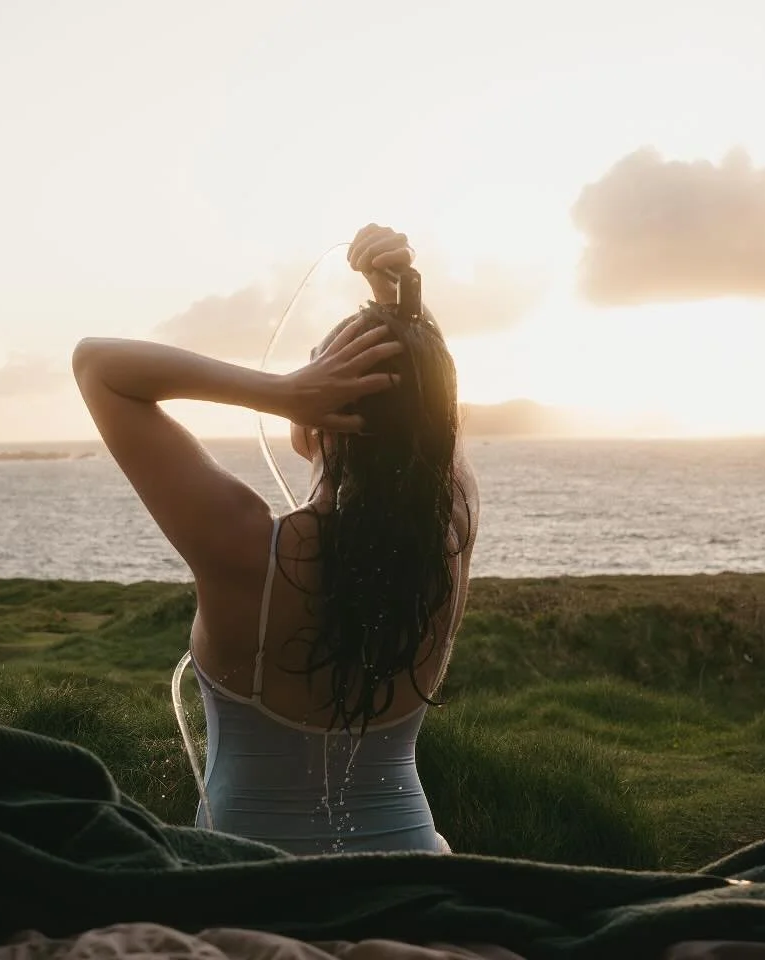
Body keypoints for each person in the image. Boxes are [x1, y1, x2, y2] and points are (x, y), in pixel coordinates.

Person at [72, 223, 480, 855]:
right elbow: (432, 418)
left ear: (317, 408)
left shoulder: (243, 547)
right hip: (418, 876)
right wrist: (406, 309)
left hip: (258, 892)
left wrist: (279, 392)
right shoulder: (451, 532)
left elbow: (98, 366)